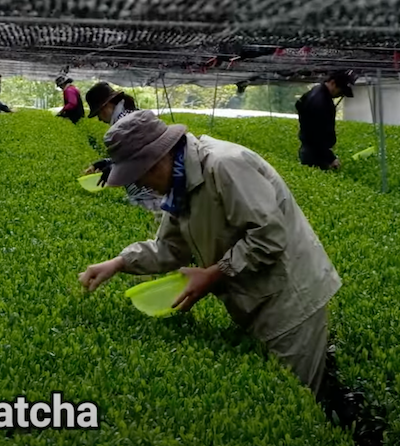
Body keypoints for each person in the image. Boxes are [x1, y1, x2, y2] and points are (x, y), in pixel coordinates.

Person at [79, 110, 340, 400]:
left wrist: (213, 274)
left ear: (155, 161)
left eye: (140, 177)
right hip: (255, 298)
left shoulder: (224, 165)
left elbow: (268, 236)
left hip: (291, 299)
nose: (144, 187)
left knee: (291, 397)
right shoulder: (180, 184)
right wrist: (119, 263)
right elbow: (171, 247)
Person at [82, 82, 160, 213]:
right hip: (153, 191)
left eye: (98, 114)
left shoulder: (124, 124)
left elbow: (142, 159)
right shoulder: (130, 116)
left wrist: (113, 169)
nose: (99, 120)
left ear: (106, 107)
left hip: (150, 194)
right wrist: (105, 163)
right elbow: (132, 155)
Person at [296, 71, 355, 171]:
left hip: (309, 150)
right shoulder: (322, 102)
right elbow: (317, 136)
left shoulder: (315, 92)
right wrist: (330, 158)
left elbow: (299, 105)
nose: (339, 95)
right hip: (315, 154)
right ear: (332, 83)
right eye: (340, 91)